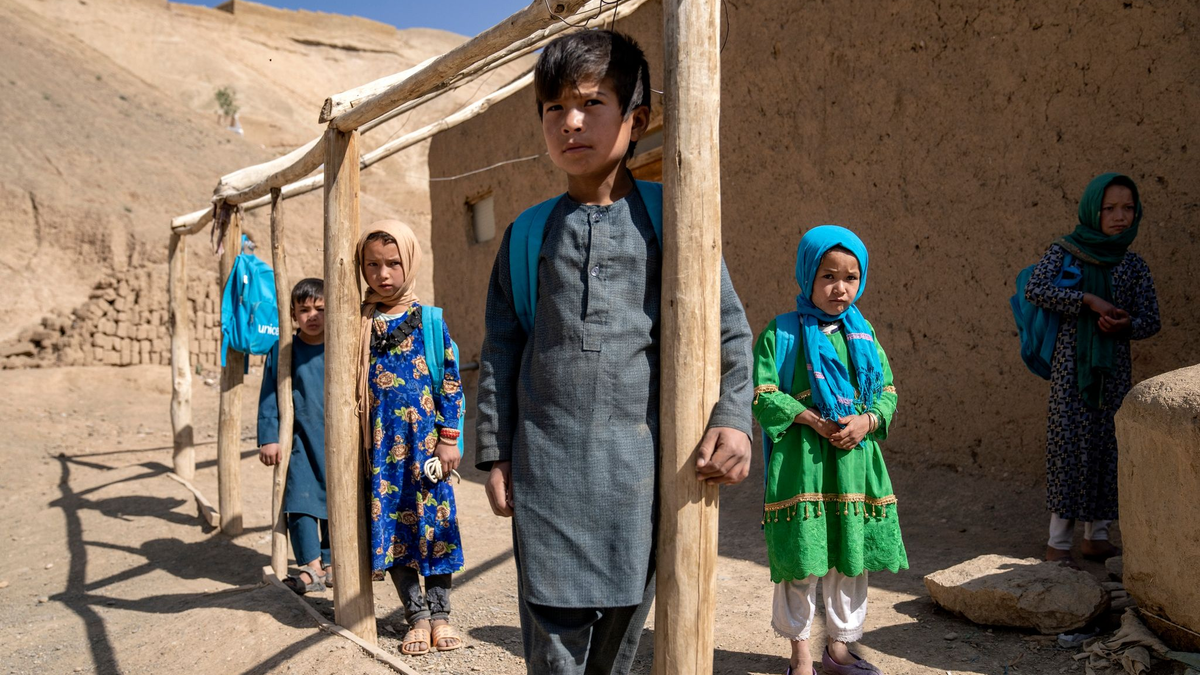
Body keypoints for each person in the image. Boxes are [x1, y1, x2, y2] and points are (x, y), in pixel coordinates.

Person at [474, 29, 754, 674]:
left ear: (638, 118)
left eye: (592, 103)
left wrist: (733, 418)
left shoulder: (679, 220)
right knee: (552, 642)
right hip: (546, 473)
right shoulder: (526, 234)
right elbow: (502, 349)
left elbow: (729, 333)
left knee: (620, 645)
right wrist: (496, 452)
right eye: (553, 108)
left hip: (644, 474)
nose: (570, 122)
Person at [752, 226, 907, 675]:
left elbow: (888, 390)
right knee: (802, 559)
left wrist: (866, 421)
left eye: (851, 277)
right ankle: (800, 656)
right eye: (828, 276)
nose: (841, 288)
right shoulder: (781, 333)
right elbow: (762, 393)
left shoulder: (864, 333)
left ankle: (839, 650)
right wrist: (811, 419)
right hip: (803, 463)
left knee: (849, 558)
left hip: (854, 462)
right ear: (807, 276)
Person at [1024, 173, 1160, 566]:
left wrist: (1126, 325)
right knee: (1069, 448)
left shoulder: (1133, 265)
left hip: (1113, 371)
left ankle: (1097, 538)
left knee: (1107, 447)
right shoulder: (1066, 251)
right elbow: (1037, 289)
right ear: (1092, 210)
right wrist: (1088, 300)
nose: (1120, 216)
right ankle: (1058, 543)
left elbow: (1151, 319)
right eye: (1110, 208)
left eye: (1128, 208)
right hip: (1072, 372)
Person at [356, 220, 466, 655]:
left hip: (426, 450)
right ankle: (416, 615)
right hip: (382, 453)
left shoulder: (429, 322)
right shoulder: (360, 325)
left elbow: (450, 384)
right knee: (394, 530)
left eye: (393, 263)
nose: (383, 275)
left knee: (435, 527)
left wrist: (449, 439)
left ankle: (441, 614)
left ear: (410, 263)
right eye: (372, 265)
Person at [257, 278, 330, 594]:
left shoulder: (341, 347)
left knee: (338, 503)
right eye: (304, 310)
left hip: (338, 443)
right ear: (292, 314)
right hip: (299, 442)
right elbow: (268, 395)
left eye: (320, 309)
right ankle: (311, 566)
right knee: (300, 500)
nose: (312, 316)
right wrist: (268, 436)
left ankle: (333, 562)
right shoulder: (284, 350)